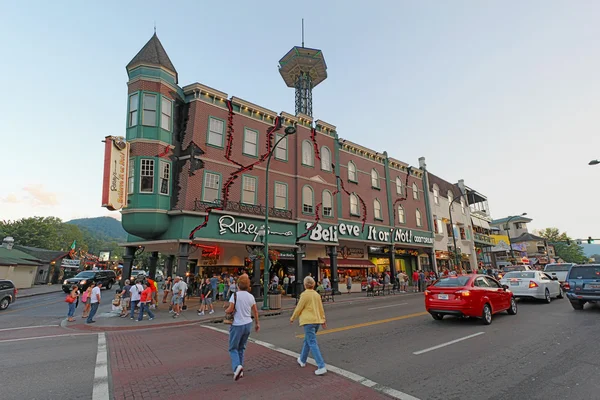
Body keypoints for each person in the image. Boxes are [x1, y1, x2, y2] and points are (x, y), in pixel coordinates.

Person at [224, 274, 259, 381]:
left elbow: (230, 309)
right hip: (248, 323)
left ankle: (237, 367)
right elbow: (255, 311)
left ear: (238, 285)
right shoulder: (250, 296)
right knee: (241, 347)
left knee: (233, 347)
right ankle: (240, 369)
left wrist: (226, 310)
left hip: (237, 324)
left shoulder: (235, 295)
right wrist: (257, 323)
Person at [290, 276, 327, 376]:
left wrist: (293, 317)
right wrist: (323, 319)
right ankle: (302, 359)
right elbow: (321, 308)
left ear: (305, 285)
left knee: (311, 342)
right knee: (308, 340)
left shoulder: (304, 295)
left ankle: (321, 366)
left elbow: (299, 307)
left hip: (308, 321)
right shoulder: (316, 295)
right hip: (317, 321)